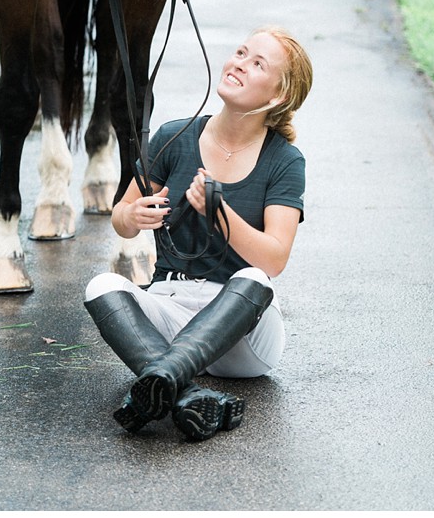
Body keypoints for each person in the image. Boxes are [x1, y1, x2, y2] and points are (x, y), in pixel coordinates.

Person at [83, 25, 313, 441]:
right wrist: (133, 215)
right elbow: (120, 217)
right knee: (101, 285)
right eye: (240, 53)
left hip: (241, 331)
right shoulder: (175, 137)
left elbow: (274, 259)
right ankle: (187, 392)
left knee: (255, 277)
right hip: (170, 307)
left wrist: (219, 213)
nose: (240, 64)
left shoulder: (284, 161)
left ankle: (163, 376)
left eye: (257, 64)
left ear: (278, 96)